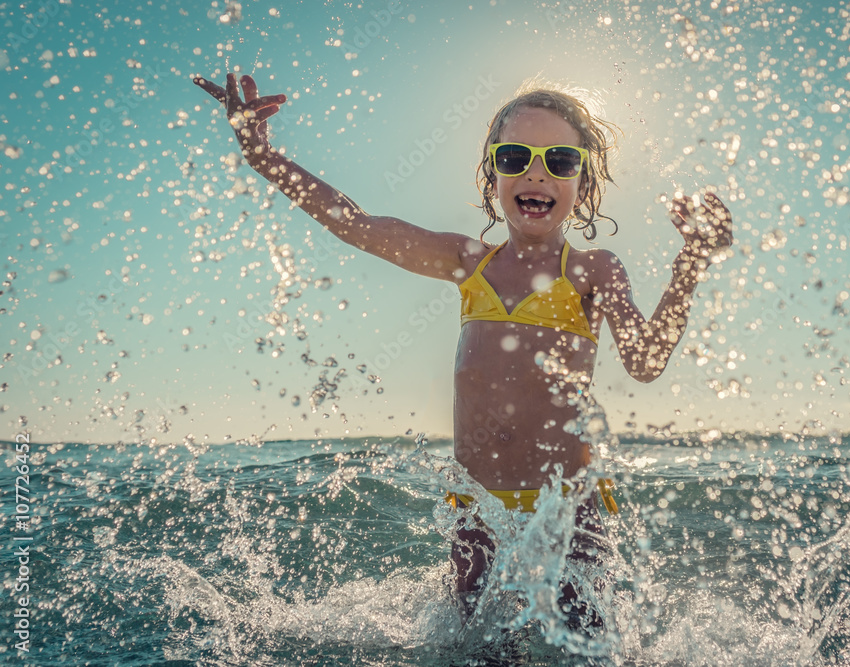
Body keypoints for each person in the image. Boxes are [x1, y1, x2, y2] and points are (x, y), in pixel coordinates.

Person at [193, 73, 733, 630]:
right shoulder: (467, 261)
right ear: (492, 172)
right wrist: (262, 157)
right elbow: (354, 224)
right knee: (477, 644)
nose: (536, 173)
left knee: (584, 638)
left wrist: (690, 262)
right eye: (516, 156)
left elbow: (645, 361)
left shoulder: (592, 269)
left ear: (582, 181)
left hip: (568, 507)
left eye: (561, 162)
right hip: (480, 508)